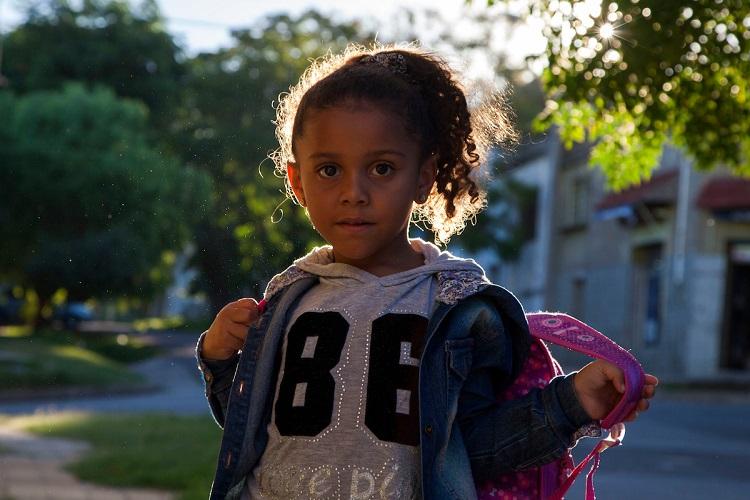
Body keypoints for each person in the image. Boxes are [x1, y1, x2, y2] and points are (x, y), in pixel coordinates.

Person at [196, 44, 658, 500]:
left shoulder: (459, 310)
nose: (353, 192)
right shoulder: (285, 300)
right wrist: (219, 360)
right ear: (297, 182)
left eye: (381, 168)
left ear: (422, 177)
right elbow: (249, 429)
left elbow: (475, 450)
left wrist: (573, 403)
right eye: (330, 169)